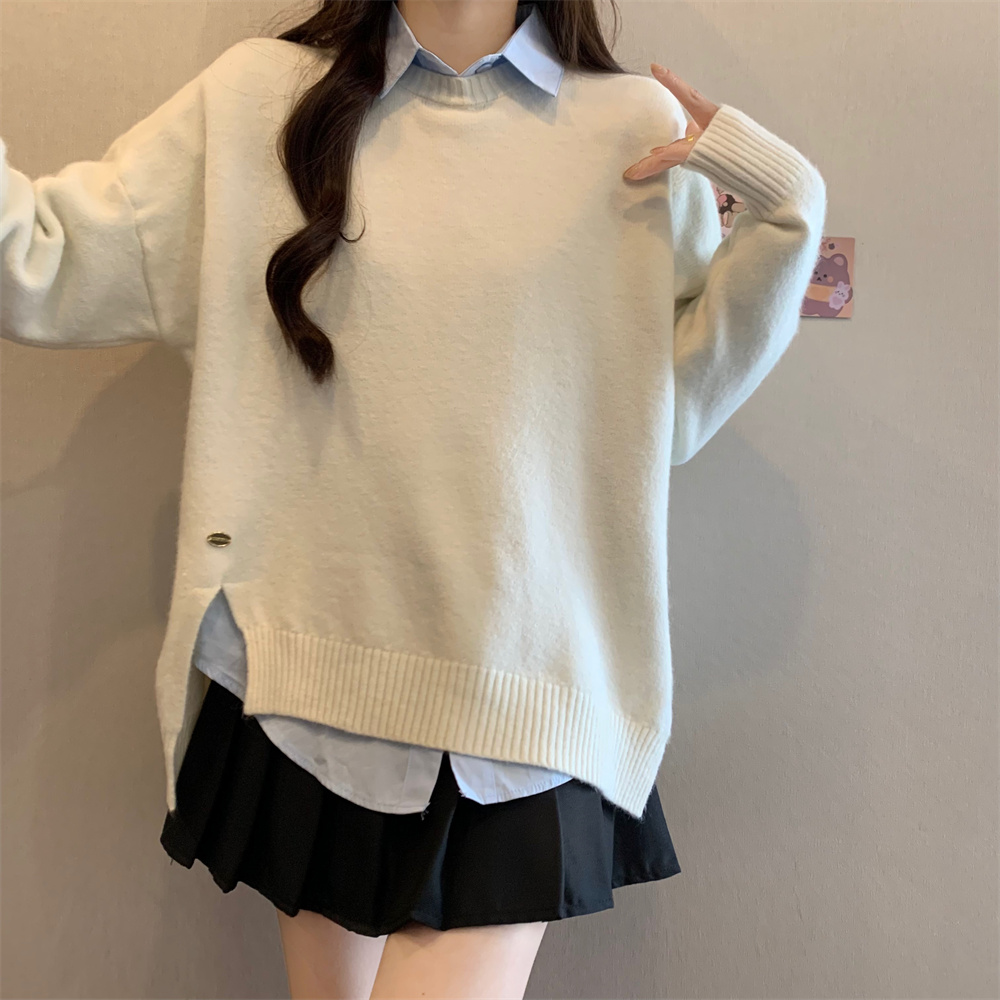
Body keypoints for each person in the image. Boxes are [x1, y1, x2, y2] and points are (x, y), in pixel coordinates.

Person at [0, 0, 826, 996]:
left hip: (525, 699)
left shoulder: (634, 131)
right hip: (310, 676)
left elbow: (666, 418)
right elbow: (37, 263)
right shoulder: (257, 101)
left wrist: (788, 207)